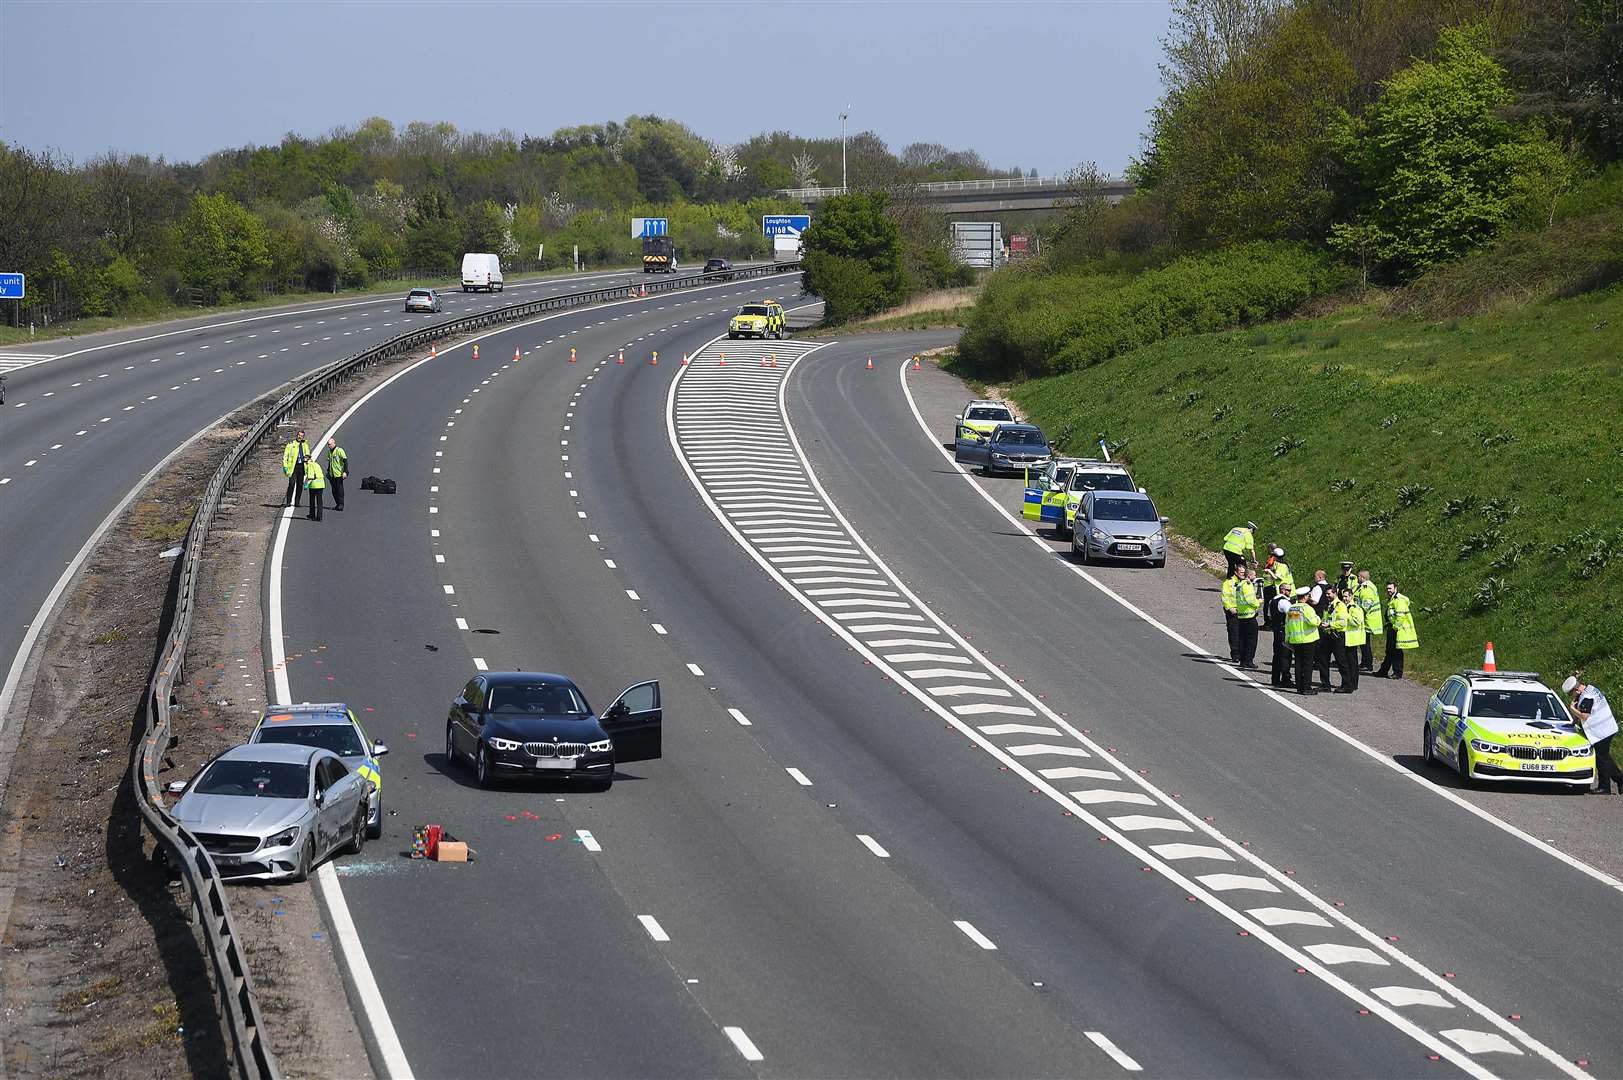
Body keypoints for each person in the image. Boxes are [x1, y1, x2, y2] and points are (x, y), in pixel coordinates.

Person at [1564, 675, 1620, 795]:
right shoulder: (1590, 689)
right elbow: (1583, 711)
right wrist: (1573, 723)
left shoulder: (1587, 697)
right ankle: (1619, 779)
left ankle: (1605, 787)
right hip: (1607, 726)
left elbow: (1584, 716)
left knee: (1601, 759)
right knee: (1605, 757)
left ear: (1576, 690)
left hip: (1601, 731)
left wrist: (1572, 709)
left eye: (1570, 694)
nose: (1571, 697)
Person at [1375, 580, 1418, 678]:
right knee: (1390, 651)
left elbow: (1400, 616)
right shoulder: (1392, 599)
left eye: (1390, 588)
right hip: (1392, 627)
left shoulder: (1399, 600)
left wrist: (1395, 628)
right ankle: (1383, 671)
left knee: (1396, 651)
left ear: (1395, 588)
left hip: (1397, 629)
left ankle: (1397, 673)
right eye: (1387, 589)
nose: (1388, 590)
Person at [1285, 587, 1321, 696]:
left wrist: (1288, 639)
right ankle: (1306, 687)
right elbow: (1313, 622)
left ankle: (1299, 687)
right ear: (1305, 597)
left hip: (1295, 640)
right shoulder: (1307, 609)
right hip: (1308, 639)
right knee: (1307, 665)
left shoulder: (1292, 608)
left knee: (1298, 664)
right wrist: (1319, 618)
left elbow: (1288, 624)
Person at [1353, 570, 1383, 672]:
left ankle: (1367, 664)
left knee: (1365, 643)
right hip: (1367, 619)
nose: (1357, 579)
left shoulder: (1367, 588)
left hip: (1368, 619)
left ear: (1362, 577)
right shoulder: (1364, 587)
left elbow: (1366, 605)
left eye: (1358, 577)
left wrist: (1357, 613)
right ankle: (1364, 662)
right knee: (1363, 642)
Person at [1337, 588, 1364, 693]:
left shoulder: (1355, 608)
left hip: (1352, 639)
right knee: (1345, 663)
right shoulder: (1342, 607)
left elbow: (1357, 622)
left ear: (1351, 596)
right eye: (1343, 596)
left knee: (1352, 663)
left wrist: (1346, 616)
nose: (1345, 598)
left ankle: (1353, 683)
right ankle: (1347, 683)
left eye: (1347, 596)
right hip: (1344, 638)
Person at [1319, 589, 1346, 691]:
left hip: (1337, 635)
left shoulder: (1340, 605)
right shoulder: (1328, 605)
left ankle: (1346, 684)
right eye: (1326, 594)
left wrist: (1330, 625)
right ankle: (1325, 684)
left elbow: (1343, 622)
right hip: (1327, 635)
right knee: (1323, 659)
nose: (1327, 595)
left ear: (1335, 593)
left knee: (1341, 661)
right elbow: (1326, 618)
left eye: (1329, 594)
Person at [1234, 568, 1261, 670]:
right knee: (1251, 641)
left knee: (1242, 639)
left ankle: (1242, 660)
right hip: (1249, 616)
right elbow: (1251, 600)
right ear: (1249, 576)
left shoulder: (1239, 585)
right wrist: (1258, 602)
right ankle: (1248, 660)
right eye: (1254, 575)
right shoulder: (1248, 585)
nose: (1255, 577)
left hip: (1241, 615)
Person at [1269, 581, 1294, 688]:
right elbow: (1293, 616)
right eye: (1288, 590)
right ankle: (1285, 679)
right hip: (1284, 631)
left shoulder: (1273, 600)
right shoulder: (1284, 602)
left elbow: (1269, 615)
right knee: (1285, 655)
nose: (1290, 592)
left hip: (1276, 630)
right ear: (1282, 590)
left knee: (1277, 655)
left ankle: (1275, 679)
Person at [1220, 562, 1246, 663]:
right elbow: (1225, 597)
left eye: (1244, 573)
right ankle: (1235, 654)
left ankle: (1243, 653)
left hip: (1244, 612)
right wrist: (1230, 608)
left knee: (1243, 633)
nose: (1242, 574)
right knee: (1234, 633)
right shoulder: (1228, 583)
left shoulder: (1246, 583)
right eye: (1241, 572)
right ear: (1236, 572)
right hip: (1233, 611)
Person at [282, 429, 311, 509]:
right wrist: (285, 466)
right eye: (299, 435)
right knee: (291, 484)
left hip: (302, 466)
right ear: (297, 435)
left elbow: (308, 456)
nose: (300, 437)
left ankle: (297, 502)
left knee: (300, 484)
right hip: (293, 467)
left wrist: (308, 465)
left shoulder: (305, 445)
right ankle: (288, 502)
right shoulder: (291, 444)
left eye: (302, 436)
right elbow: (285, 456)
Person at [325, 437, 348, 511]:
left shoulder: (339, 450)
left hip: (339, 474)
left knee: (339, 490)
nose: (329, 446)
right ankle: (337, 504)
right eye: (328, 445)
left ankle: (341, 504)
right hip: (332, 474)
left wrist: (345, 471)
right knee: (334, 490)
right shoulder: (329, 452)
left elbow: (345, 461)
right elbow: (330, 462)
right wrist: (328, 471)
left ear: (334, 443)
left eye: (330, 444)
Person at [303, 455, 326, 521]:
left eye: (305, 461)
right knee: (319, 501)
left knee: (312, 500)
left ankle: (312, 515)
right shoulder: (316, 464)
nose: (305, 463)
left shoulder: (310, 465)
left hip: (314, 485)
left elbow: (311, 477)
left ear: (308, 460)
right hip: (321, 483)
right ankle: (319, 517)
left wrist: (306, 485)